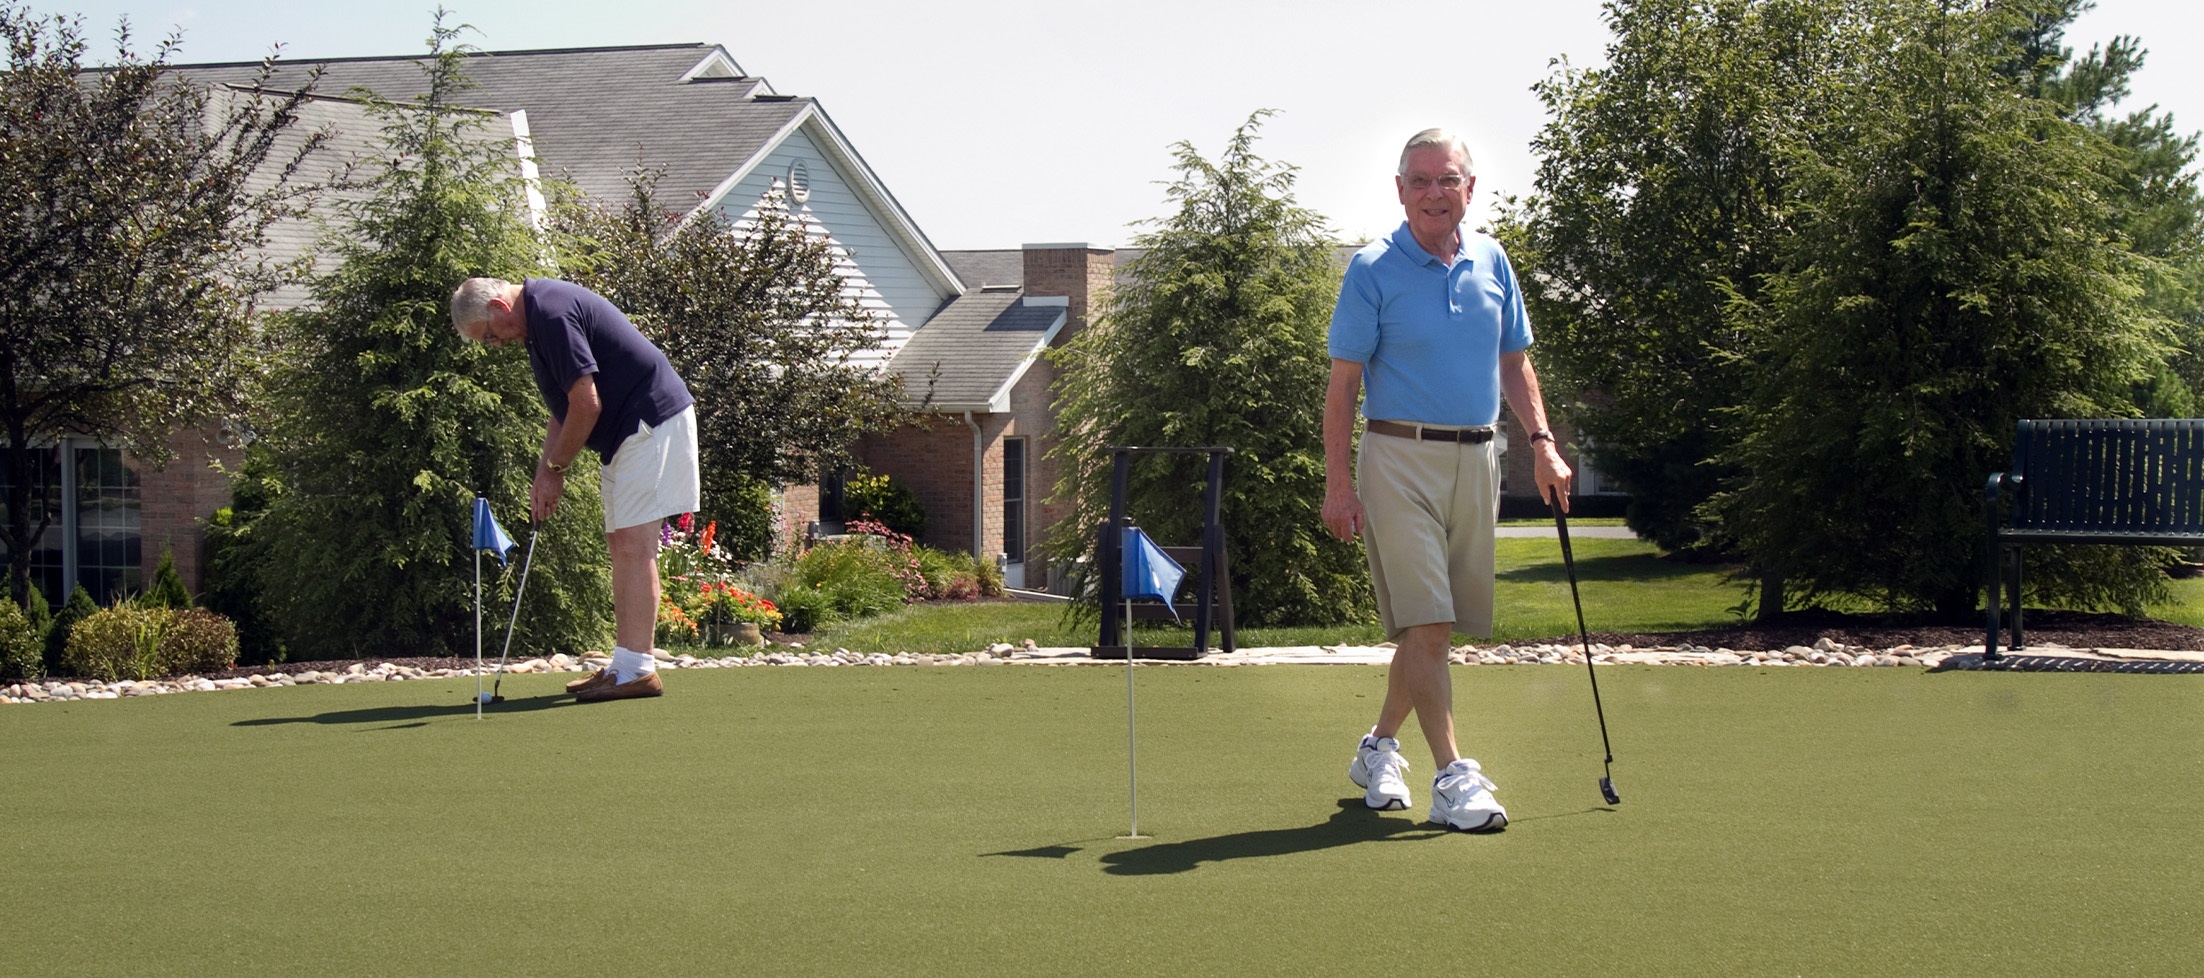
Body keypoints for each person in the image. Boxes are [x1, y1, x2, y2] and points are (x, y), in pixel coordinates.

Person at [1321, 129, 1572, 832]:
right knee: (1427, 621)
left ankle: (1378, 748)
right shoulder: (1372, 269)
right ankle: (1453, 778)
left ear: (1470, 187)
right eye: (1421, 181)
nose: (1436, 193)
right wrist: (1338, 485)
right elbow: (1342, 389)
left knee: (1433, 628)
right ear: (1400, 191)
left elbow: (1515, 361)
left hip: (1478, 459)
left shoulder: (1493, 260)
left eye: (1448, 180)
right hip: (1397, 458)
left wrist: (1544, 445)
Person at [451, 276, 700, 702]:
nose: (495, 344)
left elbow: (587, 404)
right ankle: (625, 665)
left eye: (490, 335)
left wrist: (555, 470)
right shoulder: (536, 322)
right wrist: (543, 472)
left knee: (635, 546)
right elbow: (564, 409)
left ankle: (638, 669)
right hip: (629, 432)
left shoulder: (550, 311)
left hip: (650, 422)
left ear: (499, 305)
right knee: (620, 542)